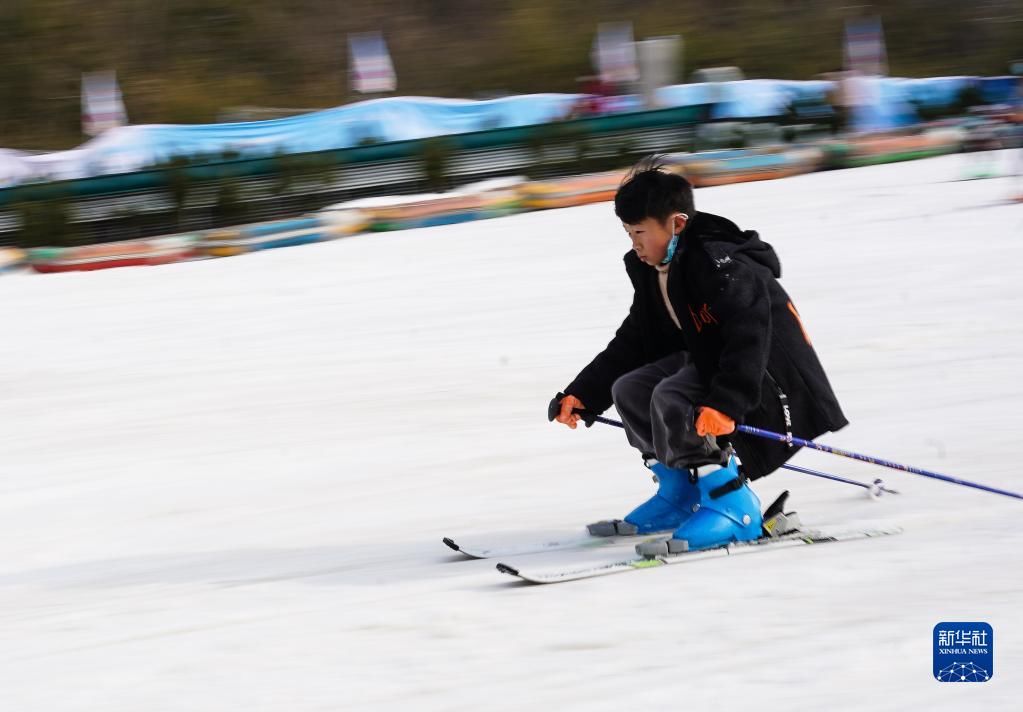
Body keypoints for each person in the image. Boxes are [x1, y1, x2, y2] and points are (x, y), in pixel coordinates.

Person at [549, 159, 848, 553]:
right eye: (628, 233)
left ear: (677, 224)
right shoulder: (654, 268)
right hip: (712, 360)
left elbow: (750, 336)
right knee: (631, 389)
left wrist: (726, 403)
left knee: (672, 397)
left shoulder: (719, 262)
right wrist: (584, 393)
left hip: (767, 372)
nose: (634, 244)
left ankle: (733, 507)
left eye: (639, 233)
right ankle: (681, 494)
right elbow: (636, 338)